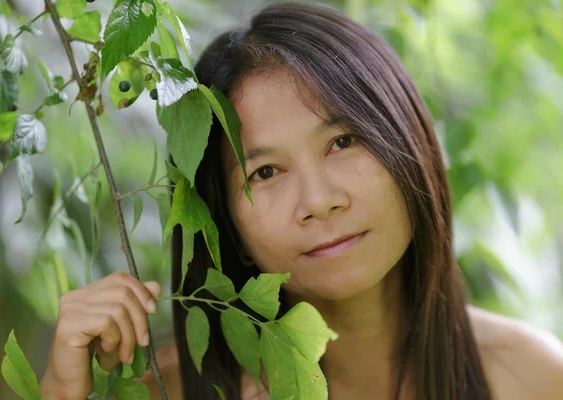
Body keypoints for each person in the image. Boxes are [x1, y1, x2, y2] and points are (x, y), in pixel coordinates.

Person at [39, 2, 563, 399]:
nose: (319, 201)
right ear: (227, 227)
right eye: (265, 171)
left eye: (343, 141)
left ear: (411, 146)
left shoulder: (531, 377)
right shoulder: (171, 389)